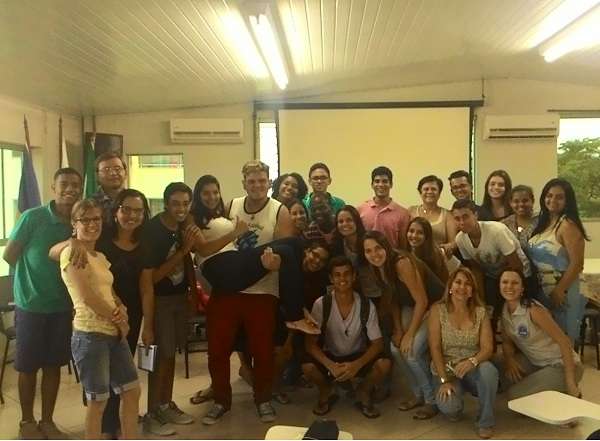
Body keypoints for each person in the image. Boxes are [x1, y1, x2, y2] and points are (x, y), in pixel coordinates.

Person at [202, 160, 296, 425]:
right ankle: (221, 400)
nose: (257, 185)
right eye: (251, 181)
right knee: (217, 348)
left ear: (269, 182)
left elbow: (284, 252)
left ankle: (263, 399)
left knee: (262, 350)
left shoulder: (280, 211)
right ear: (244, 184)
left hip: (262, 289)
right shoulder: (231, 206)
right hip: (229, 287)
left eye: (262, 181)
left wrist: (275, 263)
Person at [2, 167, 82, 440]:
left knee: (53, 365)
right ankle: (26, 422)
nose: (70, 189)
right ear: (53, 187)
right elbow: (10, 256)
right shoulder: (32, 217)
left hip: (62, 307)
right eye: (64, 184)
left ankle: (47, 421)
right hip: (31, 306)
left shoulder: (78, 221)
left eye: (75, 185)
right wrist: (31, 280)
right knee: (27, 367)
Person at [60, 199, 140, 439]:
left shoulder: (100, 256)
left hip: (113, 333)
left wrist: (121, 307)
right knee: (98, 402)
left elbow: (109, 292)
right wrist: (119, 320)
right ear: (74, 224)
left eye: (96, 219)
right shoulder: (71, 253)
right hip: (90, 335)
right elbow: (87, 296)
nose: (92, 224)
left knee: (132, 391)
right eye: (85, 220)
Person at [140, 182, 200, 436]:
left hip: (179, 298)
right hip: (160, 300)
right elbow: (152, 278)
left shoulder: (183, 226)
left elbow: (187, 264)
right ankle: (152, 412)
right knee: (159, 357)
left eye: (186, 204)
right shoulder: (153, 230)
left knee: (170, 355)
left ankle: (166, 404)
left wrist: (192, 293)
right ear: (166, 203)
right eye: (175, 204)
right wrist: (184, 251)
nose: (181, 209)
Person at [302, 256, 391, 418]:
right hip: (331, 356)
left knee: (384, 363)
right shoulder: (321, 304)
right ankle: (326, 390)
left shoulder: (366, 304)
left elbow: (377, 343)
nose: (342, 279)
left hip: (357, 355)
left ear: (354, 276)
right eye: (337, 275)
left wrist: (356, 365)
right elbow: (310, 343)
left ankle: (363, 391)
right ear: (331, 279)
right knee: (307, 367)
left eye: (347, 274)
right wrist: (330, 365)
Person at [361, 231, 437, 420]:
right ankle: (418, 394)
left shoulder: (401, 263)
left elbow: (422, 300)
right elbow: (392, 299)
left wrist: (409, 334)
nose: (374, 254)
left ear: (386, 247)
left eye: (378, 248)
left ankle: (431, 400)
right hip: (411, 306)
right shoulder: (376, 267)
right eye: (368, 251)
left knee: (411, 351)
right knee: (396, 349)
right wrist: (398, 330)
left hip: (435, 305)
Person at [428, 267, 497, 439]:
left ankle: (485, 421)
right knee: (450, 408)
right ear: (450, 287)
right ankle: (455, 402)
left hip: (472, 367)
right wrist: (444, 380)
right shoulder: (437, 310)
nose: (462, 287)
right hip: (447, 371)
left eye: (468, 284)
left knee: (489, 371)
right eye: (458, 282)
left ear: (472, 291)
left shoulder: (481, 312)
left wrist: (472, 361)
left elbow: (488, 348)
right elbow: (435, 347)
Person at [497, 269, 583, 401]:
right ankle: (546, 389)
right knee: (497, 364)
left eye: (515, 283)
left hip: (560, 364)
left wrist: (570, 382)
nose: (509, 286)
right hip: (535, 361)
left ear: (522, 288)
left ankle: (564, 389)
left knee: (515, 397)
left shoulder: (533, 310)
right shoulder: (504, 309)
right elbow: (506, 341)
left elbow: (564, 342)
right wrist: (509, 360)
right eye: (505, 282)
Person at [528, 178, 589, 343]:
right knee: (548, 342)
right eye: (549, 195)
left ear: (568, 200)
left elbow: (577, 263)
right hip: (543, 290)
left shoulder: (568, 225)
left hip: (564, 291)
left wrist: (560, 290)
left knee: (564, 341)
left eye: (559, 197)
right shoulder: (544, 222)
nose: (553, 200)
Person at [452, 198, 532, 323]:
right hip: (493, 277)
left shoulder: (496, 231)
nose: (462, 222)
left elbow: (516, 265)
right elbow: (476, 270)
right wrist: (481, 300)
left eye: (465, 217)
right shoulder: (460, 240)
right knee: (490, 314)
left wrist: (509, 292)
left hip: (521, 274)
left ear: (475, 215)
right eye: (457, 219)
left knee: (517, 313)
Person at [357, 166, 410, 250]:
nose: (381, 185)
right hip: (365, 257)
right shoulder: (361, 209)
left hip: (392, 257)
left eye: (385, 181)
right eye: (377, 181)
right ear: (372, 185)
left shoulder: (403, 213)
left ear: (391, 185)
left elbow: (403, 246)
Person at [408, 175, 457, 256]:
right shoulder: (411, 211)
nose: (430, 192)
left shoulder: (448, 215)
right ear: (420, 192)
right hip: (414, 257)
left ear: (439, 193)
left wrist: (446, 248)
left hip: (439, 257)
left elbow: (453, 242)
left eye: (433, 189)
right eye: (426, 189)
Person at [406, 217, 450, 284]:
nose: (414, 235)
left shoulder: (436, 256)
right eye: (411, 231)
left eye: (420, 233)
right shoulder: (405, 254)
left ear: (427, 236)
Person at [92, 152, 128, 223]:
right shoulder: (91, 203)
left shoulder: (134, 200)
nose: (113, 173)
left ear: (125, 172)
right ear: (97, 176)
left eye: (117, 169)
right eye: (106, 169)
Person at [501, 185, 539, 250]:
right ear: (510, 203)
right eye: (516, 201)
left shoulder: (542, 221)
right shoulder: (504, 224)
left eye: (525, 201)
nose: (521, 204)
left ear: (532, 201)